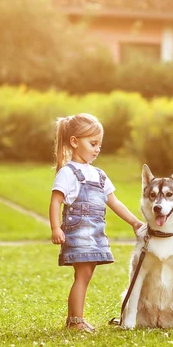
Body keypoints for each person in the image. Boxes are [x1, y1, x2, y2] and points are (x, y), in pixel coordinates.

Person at [49, 113, 143, 332]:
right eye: (92, 143)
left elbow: (114, 201)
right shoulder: (68, 173)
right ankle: (75, 322)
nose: (97, 148)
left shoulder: (99, 174)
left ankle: (74, 319)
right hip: (78, 232)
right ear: (74, 141)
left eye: (99, 144)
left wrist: (134, 222)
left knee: (86, 274)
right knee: (82, 275)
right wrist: (55, 227)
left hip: (95, 233)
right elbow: (56, 201)